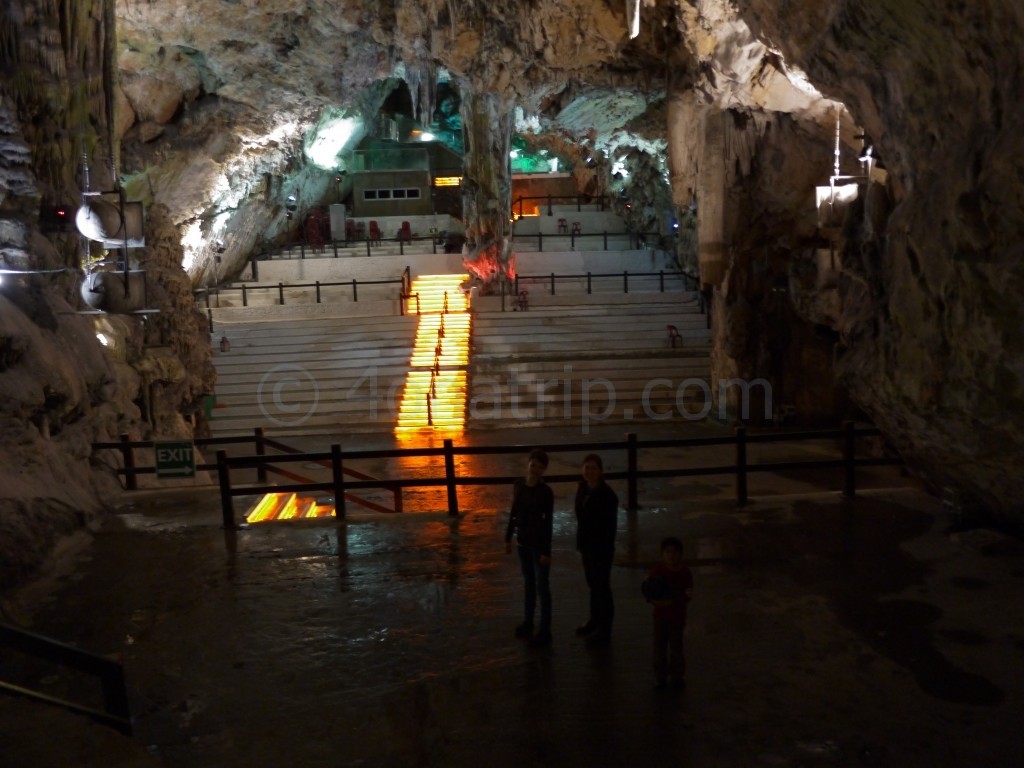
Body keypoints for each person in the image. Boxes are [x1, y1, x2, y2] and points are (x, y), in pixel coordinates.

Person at [505, 448, 555, 648]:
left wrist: (546, 551)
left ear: (543, 471)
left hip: (537, 545)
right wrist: (508, 537)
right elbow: (514, 512)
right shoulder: (519, 485)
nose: (535, 470)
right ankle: (528, 622)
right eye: (533, 465)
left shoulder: (545, 492)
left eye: (540, 467)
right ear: (528, 464)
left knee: (542, 587)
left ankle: (545, 630)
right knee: (529, 585)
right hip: (523, 543)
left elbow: (548, 522)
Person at [574, 453, 619, 646]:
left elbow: (609, 528)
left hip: (600, 548)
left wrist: (600, 547)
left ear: (600, 471)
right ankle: (594, 621)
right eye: (587, 468)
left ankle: (604, 629)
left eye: (593, 468)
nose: (589, 472)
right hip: (587, 546)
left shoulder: (607, 496)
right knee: (594, 585)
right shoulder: (583, 489)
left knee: (602, 588)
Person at [642, 536, 694, 689]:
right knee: (660, 647)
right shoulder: (658, 570)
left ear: (680, 554)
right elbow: (647, 589)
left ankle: (677, 676)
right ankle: (661, 677)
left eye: (675, 552)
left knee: (676, 647)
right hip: (661, 616)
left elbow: (687, 595)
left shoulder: (685, 573)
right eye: (668, 552)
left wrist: (671, 602)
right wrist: (653, 601)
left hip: (677, 617)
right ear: (663, 554)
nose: (671, 556)